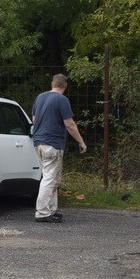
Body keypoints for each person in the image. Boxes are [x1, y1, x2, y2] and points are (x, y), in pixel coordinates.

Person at [32, 73, 87, 223]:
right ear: (65, 86)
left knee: (53, 177)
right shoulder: (62, 100)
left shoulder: (40, 97)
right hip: (52, 143)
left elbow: (34, 120)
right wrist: (81, 142)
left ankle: (51, 210)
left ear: (52, 84)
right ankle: (42, 212)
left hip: (38, 142)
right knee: (50, 178)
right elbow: (69, 124)